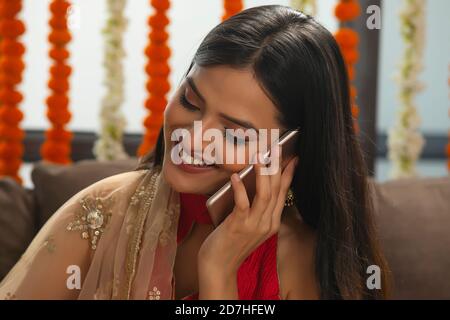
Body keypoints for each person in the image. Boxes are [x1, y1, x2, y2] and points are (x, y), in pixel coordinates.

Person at [0, 5, 389, 300]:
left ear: (286, 152)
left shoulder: (300, 260)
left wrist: (218, 270)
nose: (195, 138)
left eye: (234, 135)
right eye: (190, 100)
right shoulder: (104, 208)